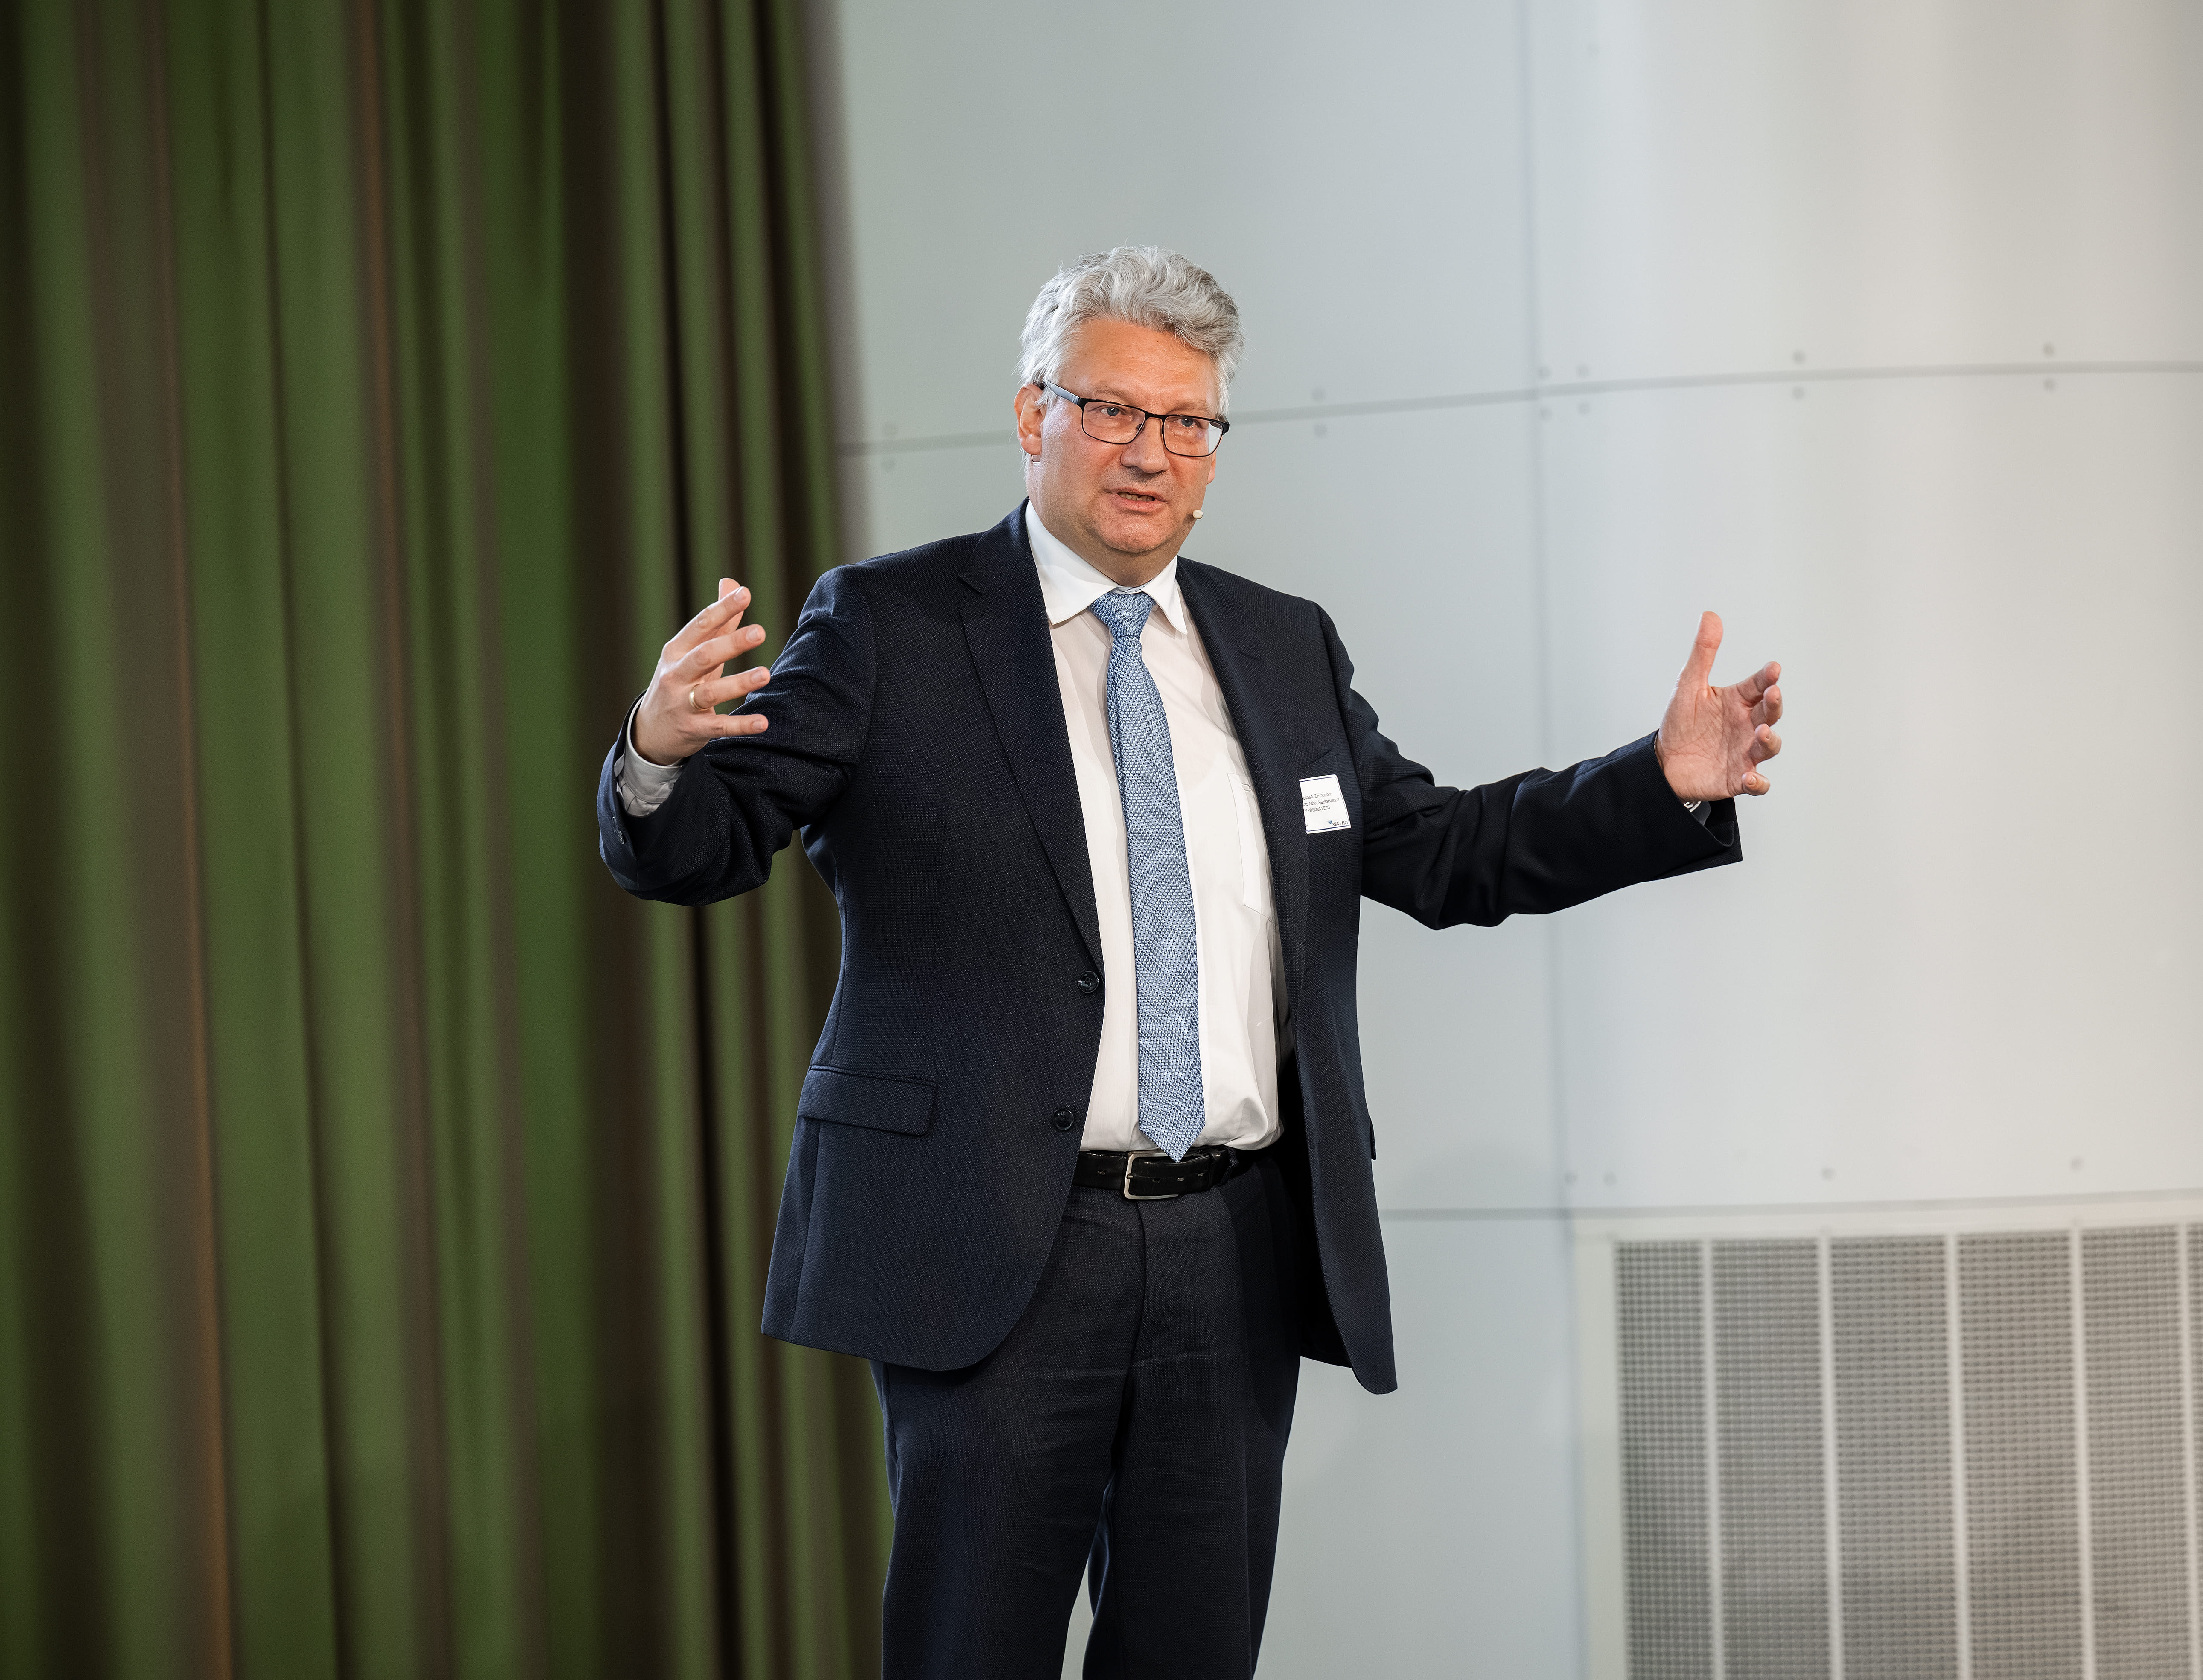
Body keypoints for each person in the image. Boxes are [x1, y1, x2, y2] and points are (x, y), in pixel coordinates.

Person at [596, 246, 1783, 1678]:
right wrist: (657, 755)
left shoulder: (1280, 644)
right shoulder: (891, 625)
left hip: (1232, 1244)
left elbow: (1441, 853)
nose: (1149, 452)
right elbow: (702, 847)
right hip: (994, 1245)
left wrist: (1656, 783)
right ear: (1032, 415)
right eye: (1110, 409)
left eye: (1186, 421)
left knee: (1193, 1651)